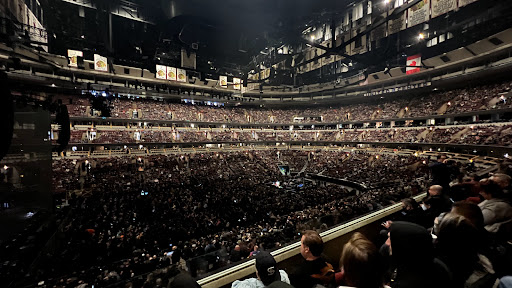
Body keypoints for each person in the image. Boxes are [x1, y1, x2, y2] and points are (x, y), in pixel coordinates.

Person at [387, 221, 452, 288]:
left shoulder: (407, 283)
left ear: (403, 244)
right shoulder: (434, 263)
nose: (387, 243)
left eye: (390, 239)